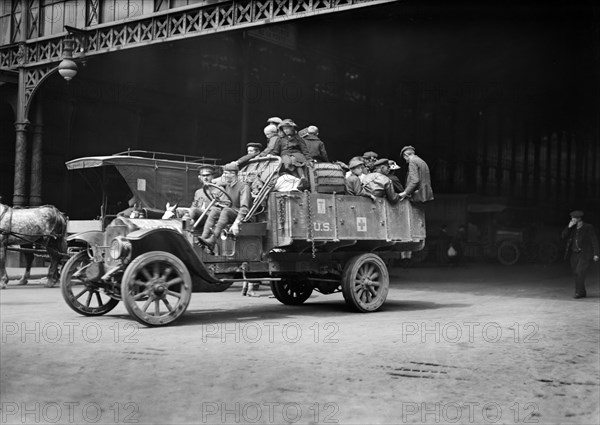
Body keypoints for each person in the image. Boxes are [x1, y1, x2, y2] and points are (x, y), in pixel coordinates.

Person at [199, 163, 251, 253]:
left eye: (226, 173)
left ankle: (212, 240)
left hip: (241, 216)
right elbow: (227, 202)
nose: (224, 176)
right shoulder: (228, 185)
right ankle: (203, 239)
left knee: (225, 211)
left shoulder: (243, 186)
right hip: (230, 212)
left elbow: (244, 208)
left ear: (233, 174)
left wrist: (236, 223)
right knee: (215, 210)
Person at [561, 210, 599, 298]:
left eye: (573, 218)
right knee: (576, 273)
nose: (572, 220)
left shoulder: (588, 227)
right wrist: (568, 227)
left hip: (584, 254)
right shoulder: (572, 228)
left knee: (579, 272)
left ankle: (578, 292)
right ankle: (582, 292)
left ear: (578, 219)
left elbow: (594, 241)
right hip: (574, 254)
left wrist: (596, 254)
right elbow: (563, 236)